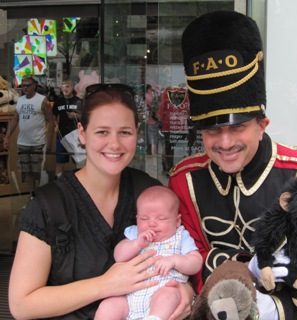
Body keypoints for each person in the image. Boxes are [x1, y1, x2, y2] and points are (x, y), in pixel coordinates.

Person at [168, 11, 297, 320]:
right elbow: (189, 254)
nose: (225, 143)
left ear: (262, 124)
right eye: (213, 131)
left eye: (238, 127)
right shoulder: (184, 181)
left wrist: (278, 308)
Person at [9, 83, 194, 320]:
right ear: (82, 134)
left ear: (136, 133)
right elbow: (22, 305)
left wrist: (186, 292)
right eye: (102, 132)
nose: (114, 144)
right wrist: (105, 284)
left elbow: (182, 255)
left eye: (124, 132)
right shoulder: (48, 206)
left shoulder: (149, 192)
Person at [95, 185, 203, 320]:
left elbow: (196, 262)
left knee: (168, 296)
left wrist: (174, 260)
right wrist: (136, 244)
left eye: (161, 218)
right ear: (136, 219)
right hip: (130, 297)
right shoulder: (134, 234)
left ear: (177, 221)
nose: (152, 223)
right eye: (144, 219)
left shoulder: (181, 236)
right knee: (109, 305)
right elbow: (118, 256)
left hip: (164, 290)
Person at [3, 75, 55, 196]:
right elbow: (15, 119)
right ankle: (33, 197)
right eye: (23, 86)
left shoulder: (42, 100)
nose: (24, 88)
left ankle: (41, 197)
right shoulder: (20, 100)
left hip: (38, 142)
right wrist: (7, 137)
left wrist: (49, 141)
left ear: (34, 86)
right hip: (23, 143)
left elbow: (51, 121)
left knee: (38, 172)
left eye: (27, 86)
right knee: (28, 173)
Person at [53, 79, 82, 178]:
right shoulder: (58, 102)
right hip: (61, 136)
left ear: (73, 87)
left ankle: (80, 184)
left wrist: (76, 116)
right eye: (63, 86)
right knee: (59, 162)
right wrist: (54, 124)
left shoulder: (79, 101)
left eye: (68, 86)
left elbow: (86, 118)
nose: (65, 88)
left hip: (76, 136)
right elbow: (53, 117)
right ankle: (58, 185)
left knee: (79, 162)